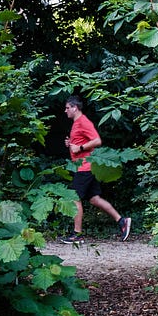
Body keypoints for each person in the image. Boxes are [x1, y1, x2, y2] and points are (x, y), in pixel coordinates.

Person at [60, 95, 131, 244]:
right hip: (85, 166)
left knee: (74, 198)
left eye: (67, 108)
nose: (65, 111)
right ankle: (122, 221)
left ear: (75, 108)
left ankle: (77, 235)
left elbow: (97, 141)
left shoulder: (83, 121)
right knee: (94, 199)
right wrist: (71, 144)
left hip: (85, 167)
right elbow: (81, 142)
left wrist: (79, 147)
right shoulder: (76, 122)